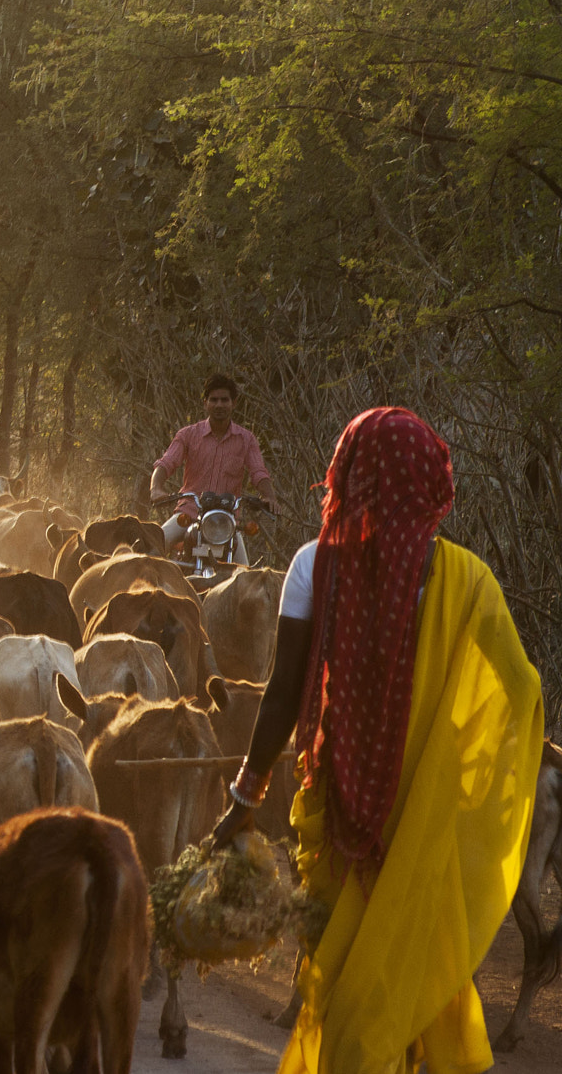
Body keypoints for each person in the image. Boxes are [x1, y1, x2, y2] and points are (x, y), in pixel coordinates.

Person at [209, 407, 544, 1073]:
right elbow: (522, 692)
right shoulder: (469, 581)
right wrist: (471, 772)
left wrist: (243, 798)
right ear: (430, 481)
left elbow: (282, 694)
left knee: (345, 994)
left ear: (348, 473)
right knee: (417, 979)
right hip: (425, 821)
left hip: (340, 815)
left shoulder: (312, 565)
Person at [150, 373, 276, 560]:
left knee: (244, 576)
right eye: (214, 400)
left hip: (227, 522)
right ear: (205, 403)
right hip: (189, 514)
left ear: (234, 403)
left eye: (224, 400)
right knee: (151, 551)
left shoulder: (246, 439)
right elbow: (166, 463)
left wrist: (269, 497)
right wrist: (156, 489)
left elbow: (258, 472)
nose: (219, 405)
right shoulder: (188, 435)